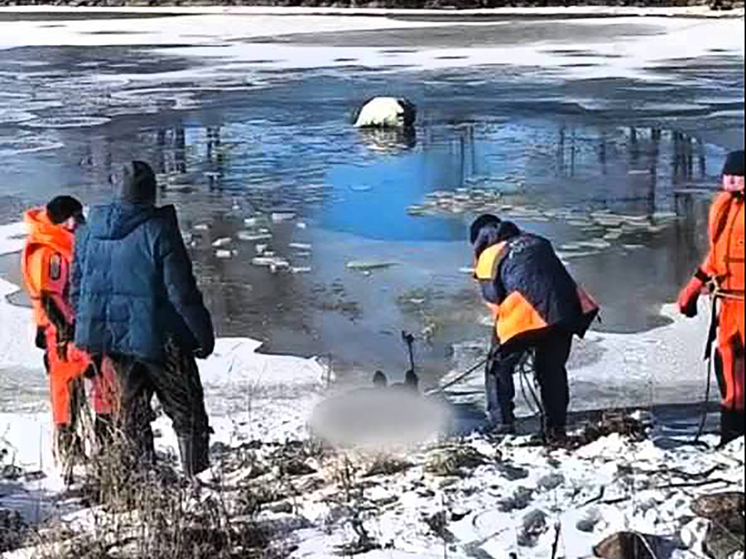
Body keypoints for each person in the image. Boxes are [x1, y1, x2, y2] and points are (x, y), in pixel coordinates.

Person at [71, 161, 215, 477]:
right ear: (150, 192)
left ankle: (142, 481)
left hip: (116, 342)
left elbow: (77, 289)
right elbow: (182, 291)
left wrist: (87, 331)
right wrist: (202, 336)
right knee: (188, 411)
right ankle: (197, 480)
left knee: (132, 413)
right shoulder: (158, 229)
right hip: (160, 341)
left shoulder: (87, 232)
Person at [471, 214, 599, 442]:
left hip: (529, 313)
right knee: (551, 371)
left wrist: (514, 340)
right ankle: (555, 430)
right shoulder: (537, 240)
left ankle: (502, 424)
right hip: (566, 311)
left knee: (496, 366)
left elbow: (495, 302)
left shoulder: (489, 256)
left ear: (479, 241)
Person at [21, 196, 97, 475]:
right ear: (66, 220)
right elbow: (49, 298)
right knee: (65, 390)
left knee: (74, 387)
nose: (81, 223)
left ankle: (73, 445)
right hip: (59, 330)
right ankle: (68, 448)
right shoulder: (49, 252)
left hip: (65, 327)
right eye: (78, 217)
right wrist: (67, 333)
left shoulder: (56, 244)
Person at [678, 150, 745, 446]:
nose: (731, 179)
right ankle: (733, 437)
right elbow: (718, 256)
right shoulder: (723, 207)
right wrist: (693, 287)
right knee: (729, 368)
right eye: (727, 174)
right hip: (729, 304)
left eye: (738, 175)